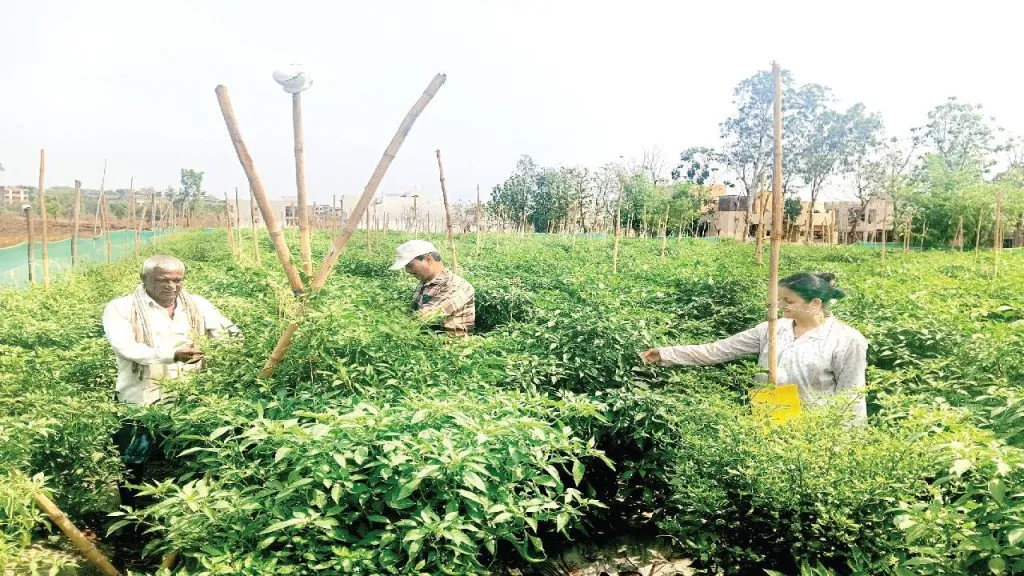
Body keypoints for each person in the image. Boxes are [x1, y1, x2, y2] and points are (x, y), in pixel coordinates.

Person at [640, 272, 868, 424]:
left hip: (815, 431)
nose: (780, 306)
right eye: (780, 299)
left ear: (815, 303)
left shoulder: (847, 340)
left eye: (789, 301)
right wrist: (666, 354)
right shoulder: (772, 329)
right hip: (769, 419)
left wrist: (844, 448)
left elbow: (852, 399)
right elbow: (718, 350)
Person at [102, 255, 238, 506]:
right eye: (163, 280)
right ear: (144, 279)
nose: (171, 286)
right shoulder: (121, 308)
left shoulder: (197, 305)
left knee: (190, 456)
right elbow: (126, 348)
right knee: (133, 458)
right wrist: (173, 355)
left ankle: (183, 510)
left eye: (178, 280)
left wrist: (230, 348)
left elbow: (229, 334)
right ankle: (131, 516)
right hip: (141, 398)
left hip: (190, 398)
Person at [389, 240, 475, 336]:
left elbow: (425, 317)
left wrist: (388, 328)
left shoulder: (456, 285)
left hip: (450, 348)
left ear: (428, 260)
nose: (407, 271)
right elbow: (412, 313)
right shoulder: (425, 282)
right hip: (426, 343)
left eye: (410, 265)